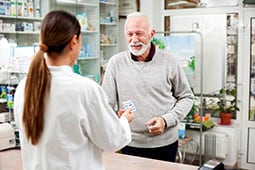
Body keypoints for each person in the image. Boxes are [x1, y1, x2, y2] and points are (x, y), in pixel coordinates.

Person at [14, 10, 134, 170]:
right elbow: (113, 140)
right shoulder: (85, 90)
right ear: (74, 41)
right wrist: (124, 120)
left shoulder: (24, 87)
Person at [102, 12, 194, 162]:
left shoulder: (170, 61)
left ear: (151, 34)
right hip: (130, 143)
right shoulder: (115, 63)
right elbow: (106, 104)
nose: (134, 39)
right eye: (130, 34)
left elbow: (187, 97)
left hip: (165, 143)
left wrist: (166, 120)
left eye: (139, 33)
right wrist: (117, 122)